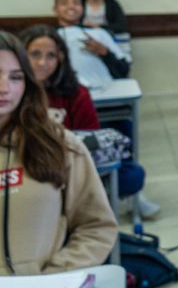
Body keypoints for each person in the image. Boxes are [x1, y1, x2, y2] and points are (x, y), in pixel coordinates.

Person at [0, 31, 117, 275]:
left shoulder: (60, 144)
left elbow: (96, 226)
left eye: (16, 77)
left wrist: (52, 279)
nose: (4, 88)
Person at [19, 25, 159, 218]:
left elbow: (88, 143)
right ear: (21, 56)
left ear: (60, 58)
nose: (43, 62)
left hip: (66, 165)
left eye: (50, 55)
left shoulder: (76, 93)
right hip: (20, 165)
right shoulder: (11, 91)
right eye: (35, 54)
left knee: (132, 175)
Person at [54, 0, 130, 89]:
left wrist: (104, 52)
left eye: (76, 3)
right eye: (64, 3)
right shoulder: (49, 36)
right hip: (67, 93)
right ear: (55, 9)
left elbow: (123, 70)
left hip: (105, 91)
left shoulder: (99, 33)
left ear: (82, 8)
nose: (71, 6)